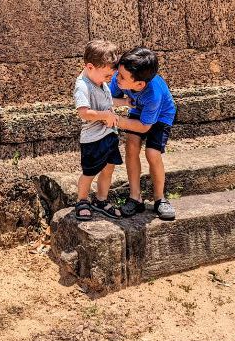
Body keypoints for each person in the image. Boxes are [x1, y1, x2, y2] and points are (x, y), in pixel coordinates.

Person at [110, 46, 176, 221]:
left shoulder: (153, 94)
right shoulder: (120, 79)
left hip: (162, 115)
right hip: (139, 110)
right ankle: (135, 197)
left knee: (152, 153)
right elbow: (108, 98)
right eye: (118, 73)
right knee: (131, 147)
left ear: (139, 84)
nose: (117, 78)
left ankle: (160, 198)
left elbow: (145, 127)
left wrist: (119, 121)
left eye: (122, 77)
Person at [73, 39, 123, 220]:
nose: (110, 80)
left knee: (109, 167)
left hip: (109, 134)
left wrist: (124, 102)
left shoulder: (99, 81)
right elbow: (84, 113)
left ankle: (101, 199)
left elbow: (107, 101)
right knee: (90, 172)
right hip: (93, 139)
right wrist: (105, 116)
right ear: (90, 67)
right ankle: (82, 200)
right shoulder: (82, 86)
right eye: (107, 76)